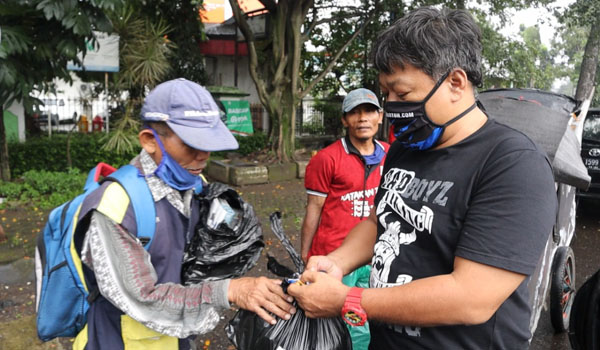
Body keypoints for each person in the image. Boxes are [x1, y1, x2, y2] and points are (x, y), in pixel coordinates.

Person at [288, 7, 557, 350]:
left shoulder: (513, 165)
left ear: (456, 83)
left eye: (402, 94)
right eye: (387, 93)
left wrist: (349, 300)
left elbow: (472, 297)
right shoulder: (404, 150)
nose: (391, 105)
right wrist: (336, 262)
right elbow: (379, 220)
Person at [72, 78, 295, 350]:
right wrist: (231, 291)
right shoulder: (115, 208)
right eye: (192, 143)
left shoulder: (196, 187)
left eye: (209, 142)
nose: (203, 155)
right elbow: (144, 297)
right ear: (150, 141)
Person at [301, 88, 389, 349]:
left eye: (369, 111)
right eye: (354, 112)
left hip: (375, 253)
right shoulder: (327, 159)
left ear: (380, 117)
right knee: (337, 320)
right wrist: (305, 255)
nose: (362, 118)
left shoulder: (391, 155)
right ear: (344, 120)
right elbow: (313, 209)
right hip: (336, 255)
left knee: (369, 313)